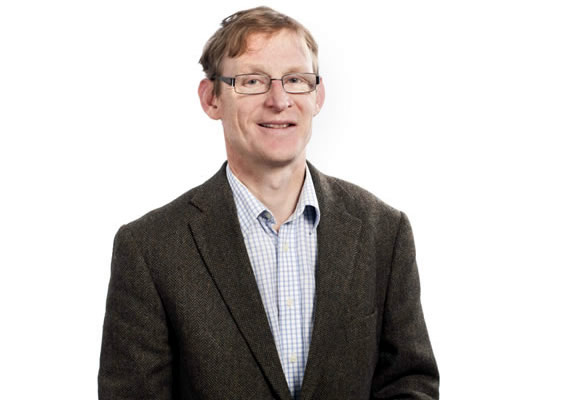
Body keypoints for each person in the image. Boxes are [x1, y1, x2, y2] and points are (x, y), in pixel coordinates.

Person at [98, 6, 439, 399]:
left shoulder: (384, 231)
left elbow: (409, 383)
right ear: (211, 98)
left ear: (317, 96)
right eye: (252, 81)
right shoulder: (150, 249)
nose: (279, 100)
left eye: (295, 80)